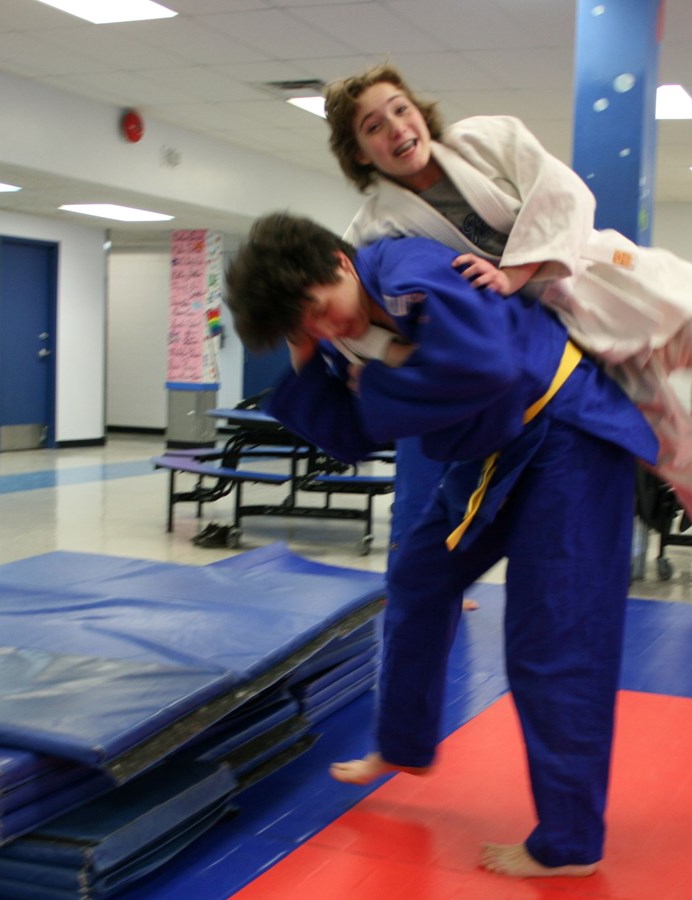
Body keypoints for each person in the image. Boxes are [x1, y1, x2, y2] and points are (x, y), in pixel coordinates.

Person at [323, 64, 692, 706]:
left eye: (399, 109)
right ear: (360, 152)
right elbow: (350, 315)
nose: (396, 128)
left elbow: (565, 194)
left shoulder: (484, 140)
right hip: (571, 354)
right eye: (374, 126)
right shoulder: (375, 229)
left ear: (419, 110)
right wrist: (382, 358)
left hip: (619, 285)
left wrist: (514, 272)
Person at [225, 212, 658, 878]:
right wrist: (309, 362)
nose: (324, 327)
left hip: (571, 433)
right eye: (301, 326)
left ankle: (570, 844)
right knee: (418, 577)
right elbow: (353, 436)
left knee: (552, 637)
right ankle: (404, 743)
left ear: (340, 263)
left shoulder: (410, 271)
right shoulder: (344, 332)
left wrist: (383, 380)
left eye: (318, 308)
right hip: (496, 447)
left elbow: (489, 372)